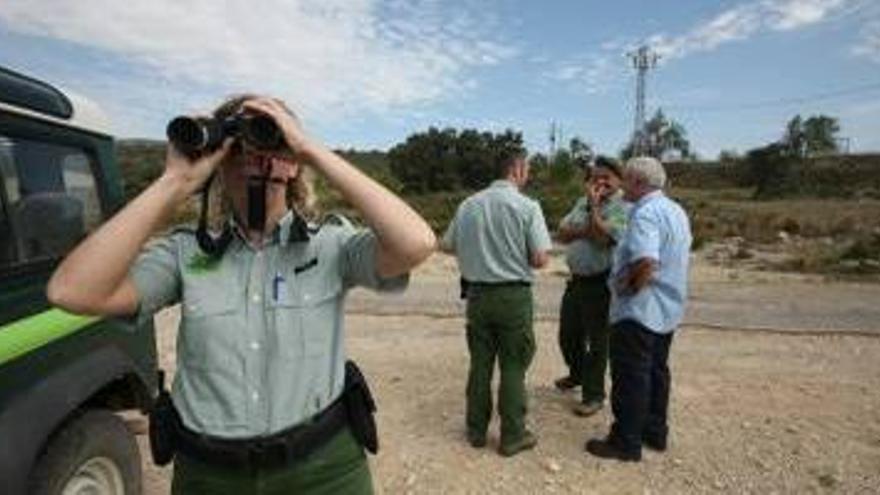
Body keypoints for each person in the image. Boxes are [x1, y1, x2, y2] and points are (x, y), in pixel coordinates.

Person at [47, 95, 436, 493]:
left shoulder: (330, 246)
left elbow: (416, 243)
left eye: (267, 140)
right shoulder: (187, 253)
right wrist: (174, 182)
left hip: (325, 470)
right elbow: (71, 291)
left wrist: (310, 150)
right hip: (211, 476)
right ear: (217, 163)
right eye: (234, 147)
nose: (251, 156)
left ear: (292, 162)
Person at [440, 148, 552, 457]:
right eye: (526, 169)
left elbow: (447, 245)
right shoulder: (528, 207)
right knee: (513, 367)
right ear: (516, 170)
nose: (527, 175)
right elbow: (540, 259)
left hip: (477, 295)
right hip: (513, 296)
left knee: (480, 365)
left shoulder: (468, 205)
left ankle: (476, 431)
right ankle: (513, 435)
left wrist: (479, 253)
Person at [585, 156, 692, 462]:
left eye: (627, 180)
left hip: (640, 311)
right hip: (667, 309)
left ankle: (625, 441)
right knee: (657, 372)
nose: (622, 186)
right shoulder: (675, 210)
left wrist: (630, 290)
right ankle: (654, 432)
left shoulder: (645, 214)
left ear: (638, 183)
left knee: (631, 376)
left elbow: (646, 261)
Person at [554, 156, 628, 417]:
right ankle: (577, 374)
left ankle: (594, 395)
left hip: (601, 283)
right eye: (595, 177)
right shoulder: (580, 202)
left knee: (597, 342)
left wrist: (594, 210)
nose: (600, 182)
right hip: (575, 281)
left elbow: (602, 239)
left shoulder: (623, 207)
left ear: (619, 180)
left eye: (606, 177)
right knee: (567, 335)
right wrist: (589, 223)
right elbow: (561, 233)